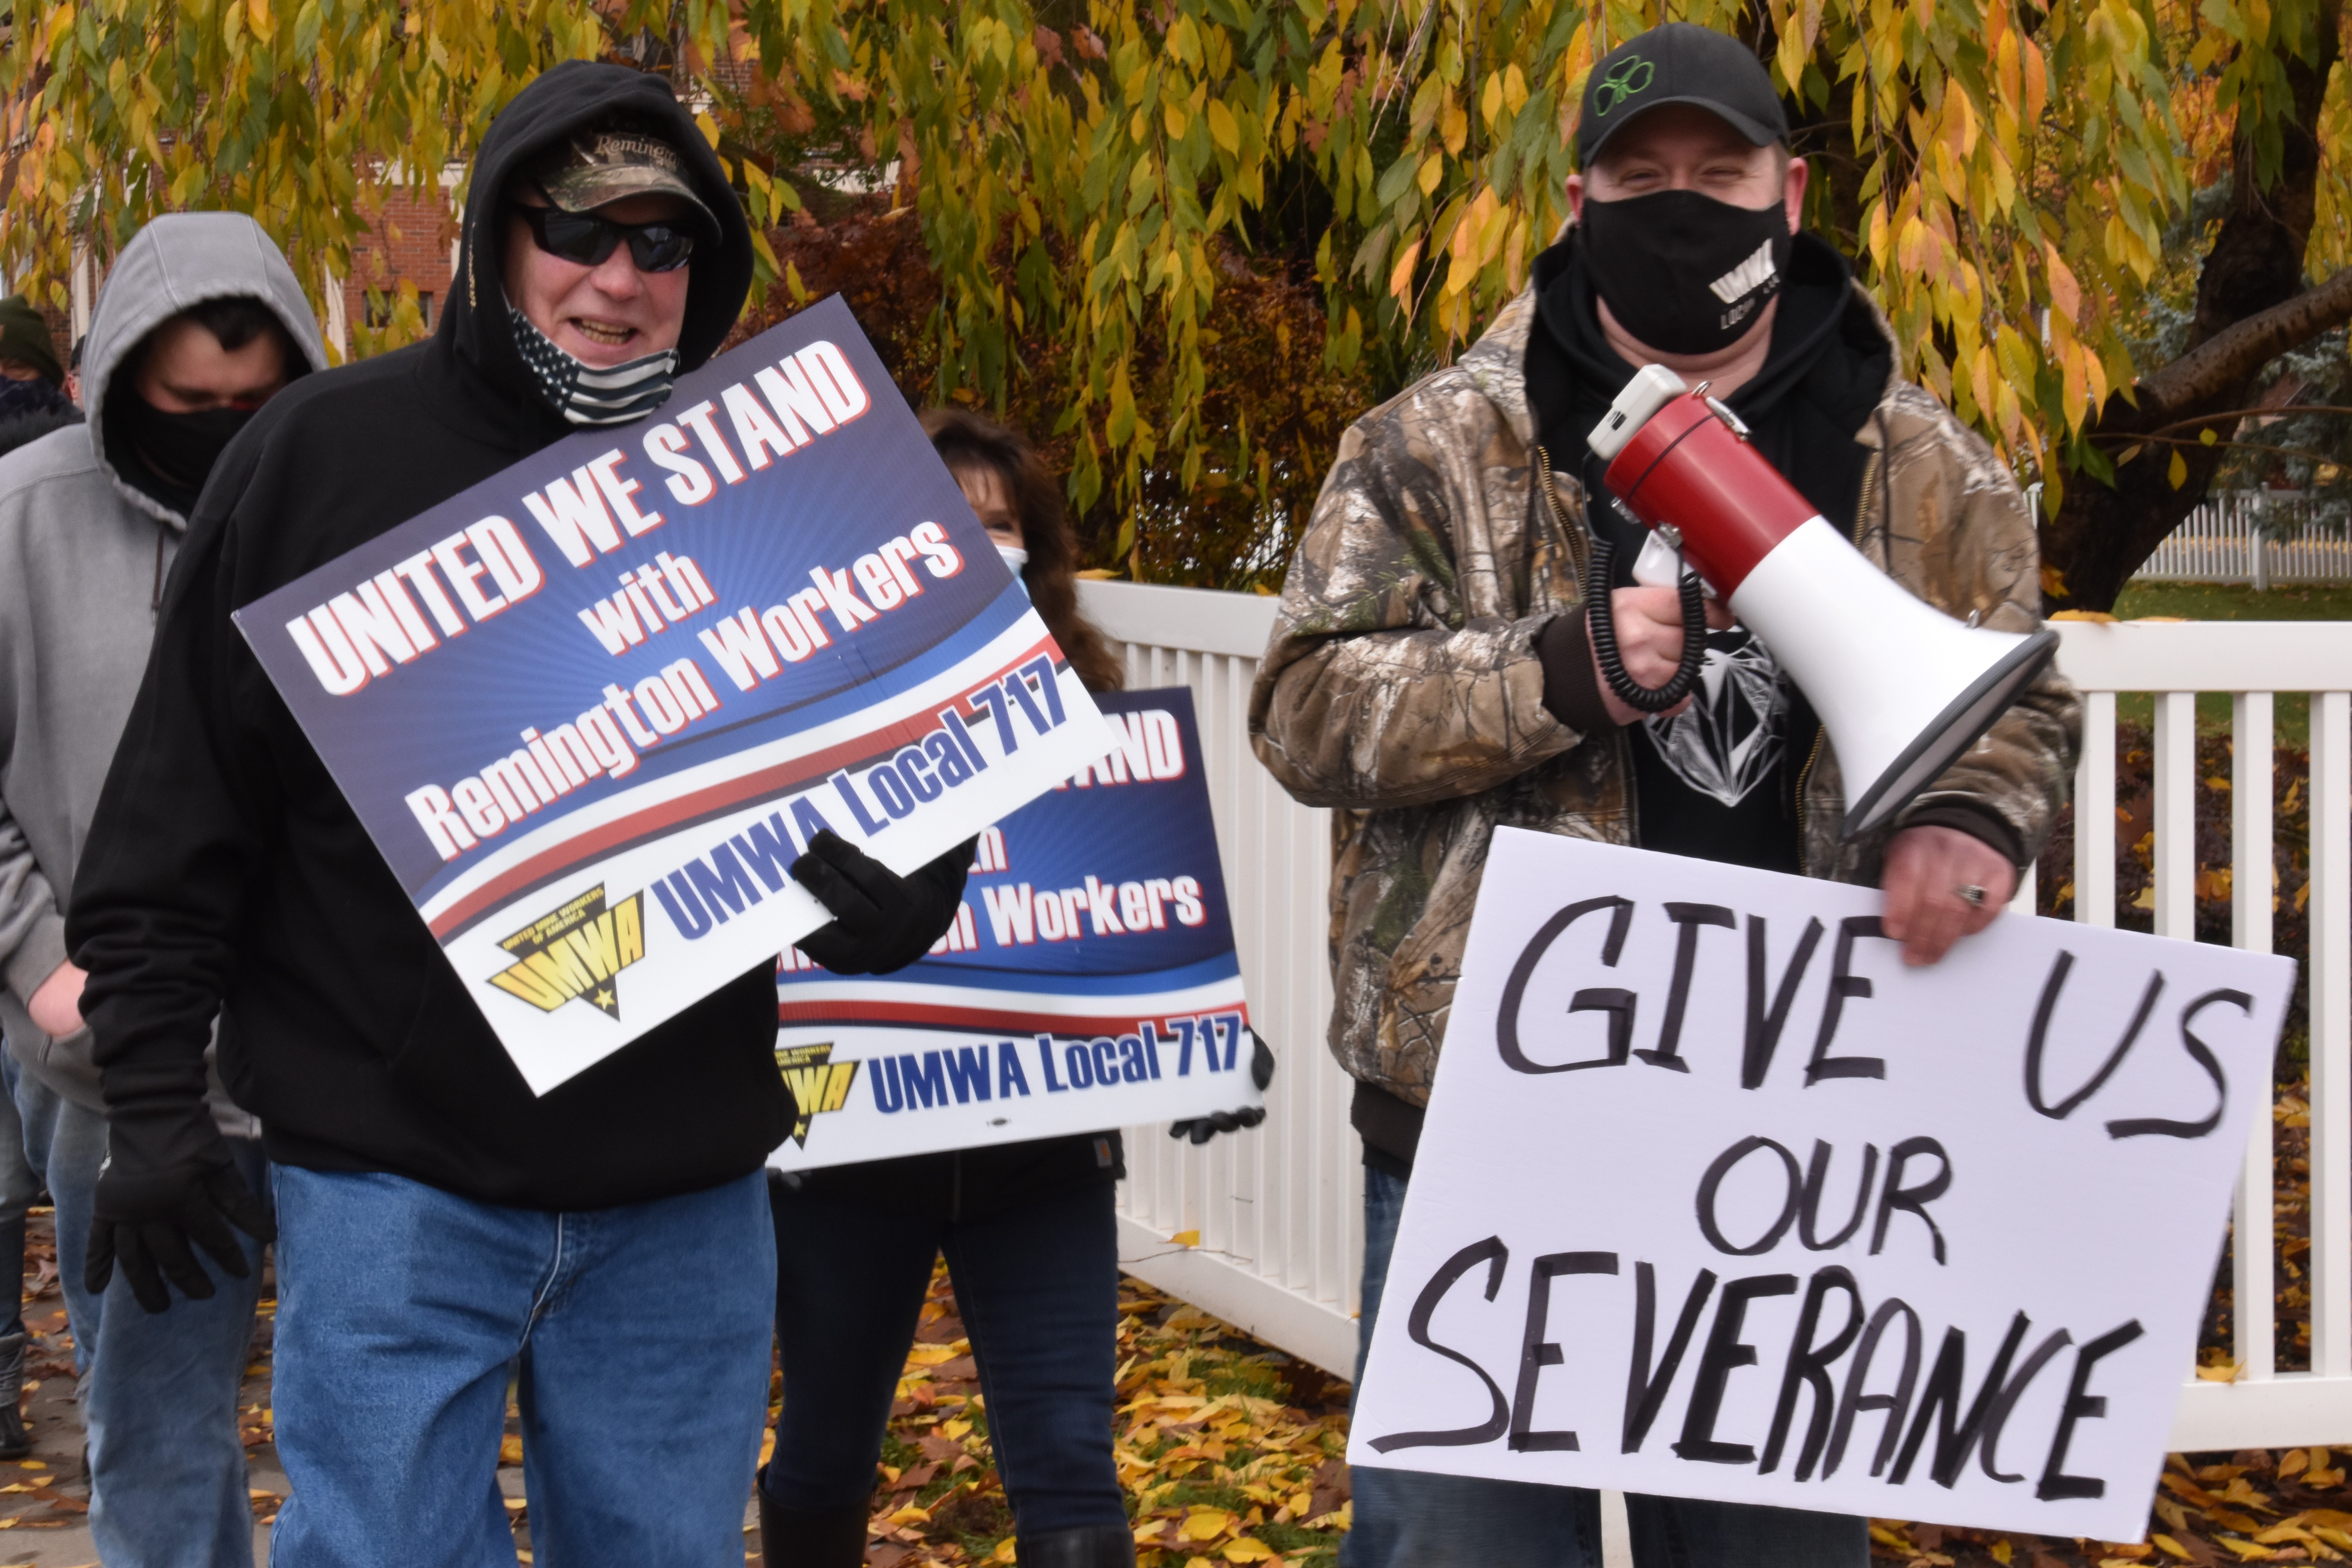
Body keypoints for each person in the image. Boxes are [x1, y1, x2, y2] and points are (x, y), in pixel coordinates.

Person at [62, 63, 967, 1562]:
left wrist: (919, 878)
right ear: (495, 236)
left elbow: (907, 752)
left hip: (684, 1197)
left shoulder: (771, 471)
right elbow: (175, 824)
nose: (620, 278)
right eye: (578, 231)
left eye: (662, 243)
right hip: (394, 1188)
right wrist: (153, 1108)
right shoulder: (317, 459)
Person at [1249, 23, 2080, 1568]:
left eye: (1721, 173)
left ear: (1791, 192)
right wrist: (1553, 673)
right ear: (1578, 202)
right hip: (1484, 1138)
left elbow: (2015, 702)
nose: (1684, 207)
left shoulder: (1921, 463)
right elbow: (1303, 711)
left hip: (1792, 1161)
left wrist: (1972, 816)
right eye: (1642, 181)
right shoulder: (1440, 443)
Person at [759, 410, 1270, 1568]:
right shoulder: (798, 728)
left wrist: (1203, 1037)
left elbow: (1139, 921)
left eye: (999, 525)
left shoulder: (1092, 725)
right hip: (847, 1163)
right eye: (945, 519)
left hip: (1044, 1162)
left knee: (1070, 1463)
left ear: (1034, 551)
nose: (973, 544)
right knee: (826, 1451)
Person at [0, 212, 325, 1561]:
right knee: (153, 1431)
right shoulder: (19, 520)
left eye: (254, 407)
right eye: (191, 409)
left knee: (366, 1429)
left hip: (332, 1068)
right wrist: (45, 969)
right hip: (111, 1072)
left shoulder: (348, 502)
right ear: (121, 379)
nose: (224, 436)